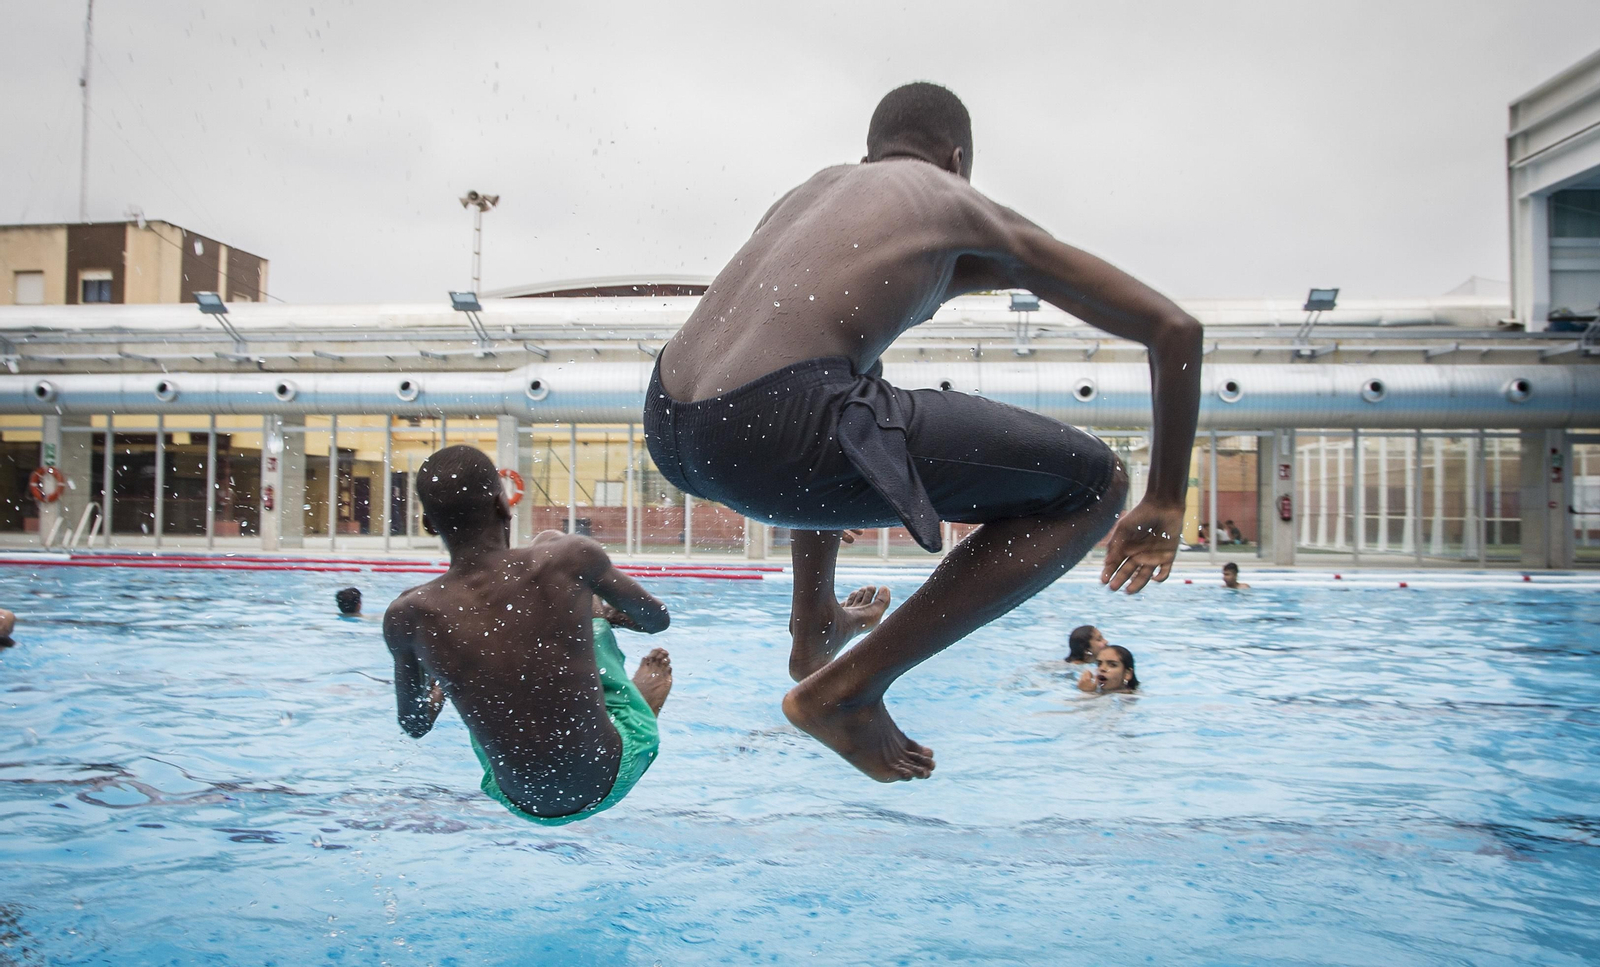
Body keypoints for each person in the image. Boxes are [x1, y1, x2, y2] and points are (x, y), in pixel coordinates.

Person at [644, 82, 1200, 781]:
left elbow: (815, 377)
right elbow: (1174, 329)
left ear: (870, 152)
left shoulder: (810, 195)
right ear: (957, 160)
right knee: (1096, 485)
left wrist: (813, 599)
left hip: (668, 422)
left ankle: (813, 627)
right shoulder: (951, 200)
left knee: (848, 390)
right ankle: (849, 689)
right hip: (778, 419)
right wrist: (1166, 499)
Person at [382, 445, 674, 825]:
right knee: (559, 561)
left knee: (479, 664)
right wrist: (600, 607)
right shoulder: (569, 558)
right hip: (611, 772)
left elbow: (415, 724)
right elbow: (657, 620)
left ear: (430, 525)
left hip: (517, 798)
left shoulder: (408, 616)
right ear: (504, 506)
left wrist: (441, 675)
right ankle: (627, 689)